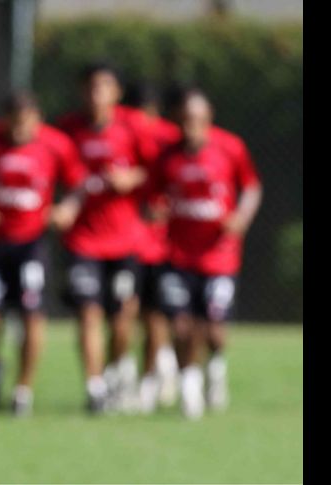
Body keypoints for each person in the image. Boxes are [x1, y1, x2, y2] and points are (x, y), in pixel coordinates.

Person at [0, 91, 86, 416]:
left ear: (37, 120)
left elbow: (78, 184)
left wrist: (66, 209)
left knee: (33, 313)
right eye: (13, 124)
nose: (19, 132)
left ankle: (22, 390)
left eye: (26, 124)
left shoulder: (55, 144)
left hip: (32, 244)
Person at [153, 87, 262, 419]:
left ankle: (215, 366)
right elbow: (153, 196)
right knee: (182, 326)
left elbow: (252, 187)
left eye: (197, 120)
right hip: (179, 255)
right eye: (185, 120)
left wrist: (241, 217)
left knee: (213, 329)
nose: (191, 127)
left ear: (209, 119)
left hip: (219, 257)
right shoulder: (167, 156)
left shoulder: (231, 148)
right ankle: (190, 385)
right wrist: (154, 211)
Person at [56, 62, 151, 413]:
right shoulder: (67, 129)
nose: (97, 94)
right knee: (88, 312)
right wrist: (61, 205)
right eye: (91, 87)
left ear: (117, 92)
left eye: (104, 87)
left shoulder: (134, 127)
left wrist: (133, 178)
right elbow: (50, 167)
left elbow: (156, 169)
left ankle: (115, 371)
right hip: (83, 241)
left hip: (124, 241)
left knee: (123, 318)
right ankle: (95, 387)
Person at [122, 81, 181, 413]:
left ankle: (153, 374)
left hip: (154, 243)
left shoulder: (163, 138)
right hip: (139, 241)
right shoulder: (165, 136)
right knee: (140, 312)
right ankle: (147, 374)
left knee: (150, 314)